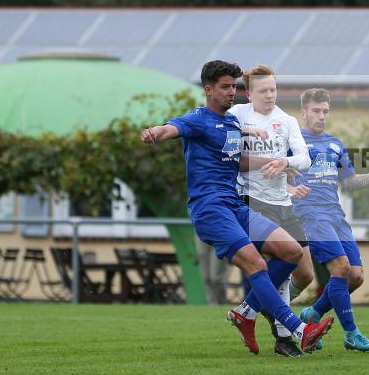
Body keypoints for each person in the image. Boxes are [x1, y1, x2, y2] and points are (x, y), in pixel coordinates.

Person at [140, 60, 333, 355]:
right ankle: (299, 330)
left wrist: (276, 165)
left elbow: (237, 161)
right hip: (211, 209)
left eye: (234, 87)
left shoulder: (232, 122)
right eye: (225, 87)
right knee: (256, 264)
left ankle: (246, 313)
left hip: (234, 205)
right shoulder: (198, 119)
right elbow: (172, 128)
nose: (232, 92)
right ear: (208, 90)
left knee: (292, 252)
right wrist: (155, 131)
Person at [292, 88, 369, 352]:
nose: (321, 116)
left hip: (336, 214)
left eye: (325, 111)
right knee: (340, 268)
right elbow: (278, 175)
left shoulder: (335, 143)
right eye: (316, 111)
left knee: (356, 276)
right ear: (303, 112)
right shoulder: (293, 141)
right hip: (311, 213)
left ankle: (311, 315)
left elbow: (348, 183)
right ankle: (351, 333)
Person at [229, 64, 314, 357]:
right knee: (280, 264)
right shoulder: (238, 115)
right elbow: (228, 153)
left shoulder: (286, 120)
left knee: (305, 274)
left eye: (273, 89)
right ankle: (284, 339)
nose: (269, 95)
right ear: (249, 93)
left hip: (283, 203)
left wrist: (285, 163)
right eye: (263, 90)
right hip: (252, 200)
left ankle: (249, 307)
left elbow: (305, 158)